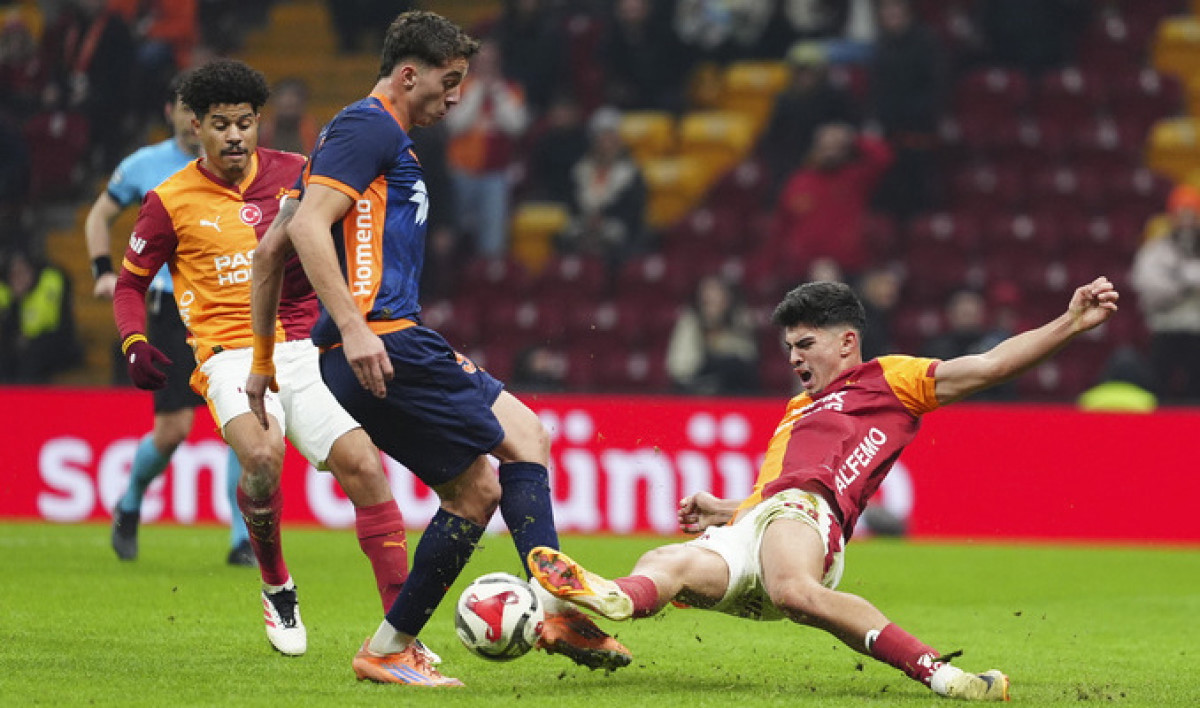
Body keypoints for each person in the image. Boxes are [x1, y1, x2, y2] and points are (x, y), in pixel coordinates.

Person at [247, 10, 632, 686]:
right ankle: (553, 607)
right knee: (526, 437)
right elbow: (306, 230)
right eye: (448, 82)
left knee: (474, 492)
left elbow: (268, 252)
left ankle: (388, 649)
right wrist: (356, 327)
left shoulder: (357, 140)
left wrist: (260, 363)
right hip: (385, 338)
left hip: (363, 349)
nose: (455, 97)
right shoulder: (368, 127)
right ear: (407, 75)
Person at [529, 276, 1122, 702]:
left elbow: (991, 365)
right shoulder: (796, 410)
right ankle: (601, 608)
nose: (793, 358)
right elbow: (772, 492)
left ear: (846, 342)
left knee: (793, 587)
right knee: (670, 561)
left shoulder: (889, 380)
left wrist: (1069, 323)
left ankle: (944, 677)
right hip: (758, 523)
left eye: (804, 344)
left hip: (809, 517)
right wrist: (727, 509)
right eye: (789, 347)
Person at [112, 58, 414, 659]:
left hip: (303, 347)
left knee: (366, 467)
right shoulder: (168, 200)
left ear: (258, 123)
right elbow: (129, 284)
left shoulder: (297, 173)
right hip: (227, 353)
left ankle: (402, 633)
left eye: (245, 123)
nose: (235, 136)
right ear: (196, 126)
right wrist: (134, 340)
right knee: (261, 454)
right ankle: (276, 584)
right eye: (221, 124)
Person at [85, 73, 253, 567]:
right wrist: (102, 271)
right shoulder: (144, 165)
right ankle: (131, 501)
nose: (193, 116)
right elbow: (98, 216)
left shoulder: (238, 164)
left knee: (244, 425)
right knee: (173, 430)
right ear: (172, 112)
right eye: (186, 107)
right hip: (169, 311)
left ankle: (241, 539)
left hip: (229, 308)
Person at [766, 122, 893, 279]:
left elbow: (883, 157)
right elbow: (782, 225)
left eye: (836, 148)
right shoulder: (799, 181)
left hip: (848, 268)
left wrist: (851, 138)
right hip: (803, 271)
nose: (830, 153)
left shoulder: (855, 178)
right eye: (826, 147)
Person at [444, 38, 529, 258]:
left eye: (491, 61)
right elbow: (455, 125)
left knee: (492, 236)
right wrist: (478, 92)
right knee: (456, 232)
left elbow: (516, 126)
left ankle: (488, 275)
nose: (486, 66)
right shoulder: (459, 87)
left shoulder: (510, 89)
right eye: (482, 61)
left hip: (496, 173)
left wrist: (498, 94)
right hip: (461, 171)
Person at [1130, 183, 1200, 404]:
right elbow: (1149, 288)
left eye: (1193, 215)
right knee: (1159, 393)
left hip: (1197, 333)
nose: (1187, 222)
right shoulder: (1155, 251)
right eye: (1182, 215)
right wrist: (1186, 285)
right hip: (1165, 330)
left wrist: (1177, 278)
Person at [557, 105, 647, 265]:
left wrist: (604, 223)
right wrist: (587, 223)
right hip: (582, 231)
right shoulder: (579, 171)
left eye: (612, 138)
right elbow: (569, 205)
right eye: (603, 137)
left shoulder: (632, 175)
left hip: (618, 238)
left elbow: (632, 213)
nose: (607, 144)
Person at [665, 274, 759, 395]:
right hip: (695, 391)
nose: (712, 303)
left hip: (734, 392)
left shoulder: (740, 322)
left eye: (717, 298)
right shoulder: (690, 324)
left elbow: (748, 358)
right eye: (707, 300)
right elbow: (680, 369)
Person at [0, 248, 82, 382]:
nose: (19, 279)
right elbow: (8, 331)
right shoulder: (7, 293)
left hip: (53, 342)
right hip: (20, 346)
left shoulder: (52, 281)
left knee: (32, 355)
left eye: (22, 273)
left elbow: (64, 327)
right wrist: (15, 302)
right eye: (14, 275)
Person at [921, 289, 1015, 401]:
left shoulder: (995, 345)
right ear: (950, 313)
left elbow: (1006, 390)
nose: (967, 313)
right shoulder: (934, 348)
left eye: (971, 310)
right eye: (962, 310)